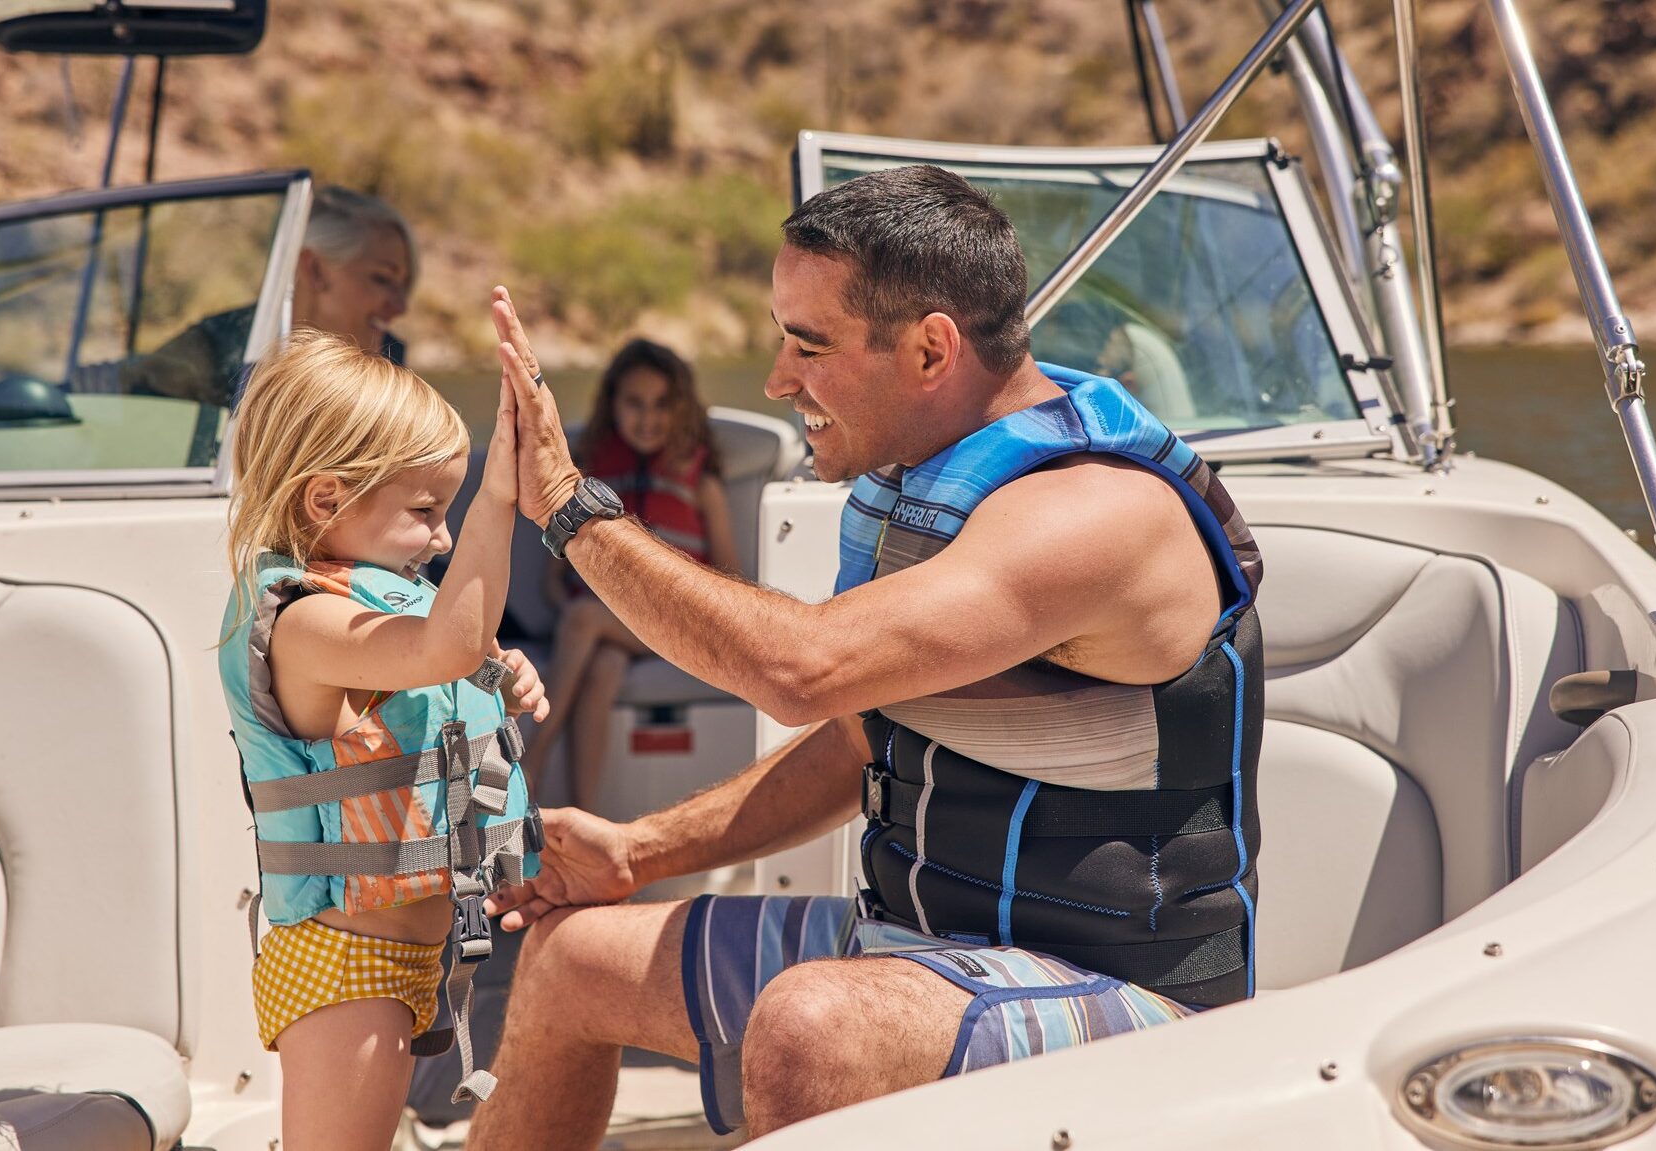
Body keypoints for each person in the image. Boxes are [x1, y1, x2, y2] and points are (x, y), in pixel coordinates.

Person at [466, 163, 1266, 1147]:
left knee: (813, 1027)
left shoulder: (1092, 514)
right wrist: (637, 852)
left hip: (1119, 995)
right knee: (569, 958)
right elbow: (858, 742)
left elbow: (799, 672)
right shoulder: (916, 490)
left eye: (810, 344)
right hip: (912, 954)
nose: (774, 379)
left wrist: (569, 504)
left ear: (930, 348)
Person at [216, 329, 549, 1150]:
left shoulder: (383, 599)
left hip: (398, 955)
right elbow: (445, 648)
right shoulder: (304, 620)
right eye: (427, 511)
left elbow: (451, 664)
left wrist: (504, 676)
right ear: (325, 500)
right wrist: (497, 499)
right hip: (339, 963)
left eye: (450, 510)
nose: (442, 538)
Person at [533, 338, 739, 809]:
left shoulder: (701, 480)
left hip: (677, 623)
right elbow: (552, 577)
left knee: (586, 621)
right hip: (609, 629)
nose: (649, 417)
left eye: (662, 404)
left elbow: (731, 575)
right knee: (603, 665)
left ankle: (534, 759)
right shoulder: (590, 477)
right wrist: (570, 607)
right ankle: (584, 816)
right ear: (613, 405)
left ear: (681, 408)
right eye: (635, 403)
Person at [116, 186, 416, 406]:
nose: (400, 307)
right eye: (382, 278)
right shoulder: (210, 354)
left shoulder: (387, 363)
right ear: (314, 269)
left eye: (402, 285)